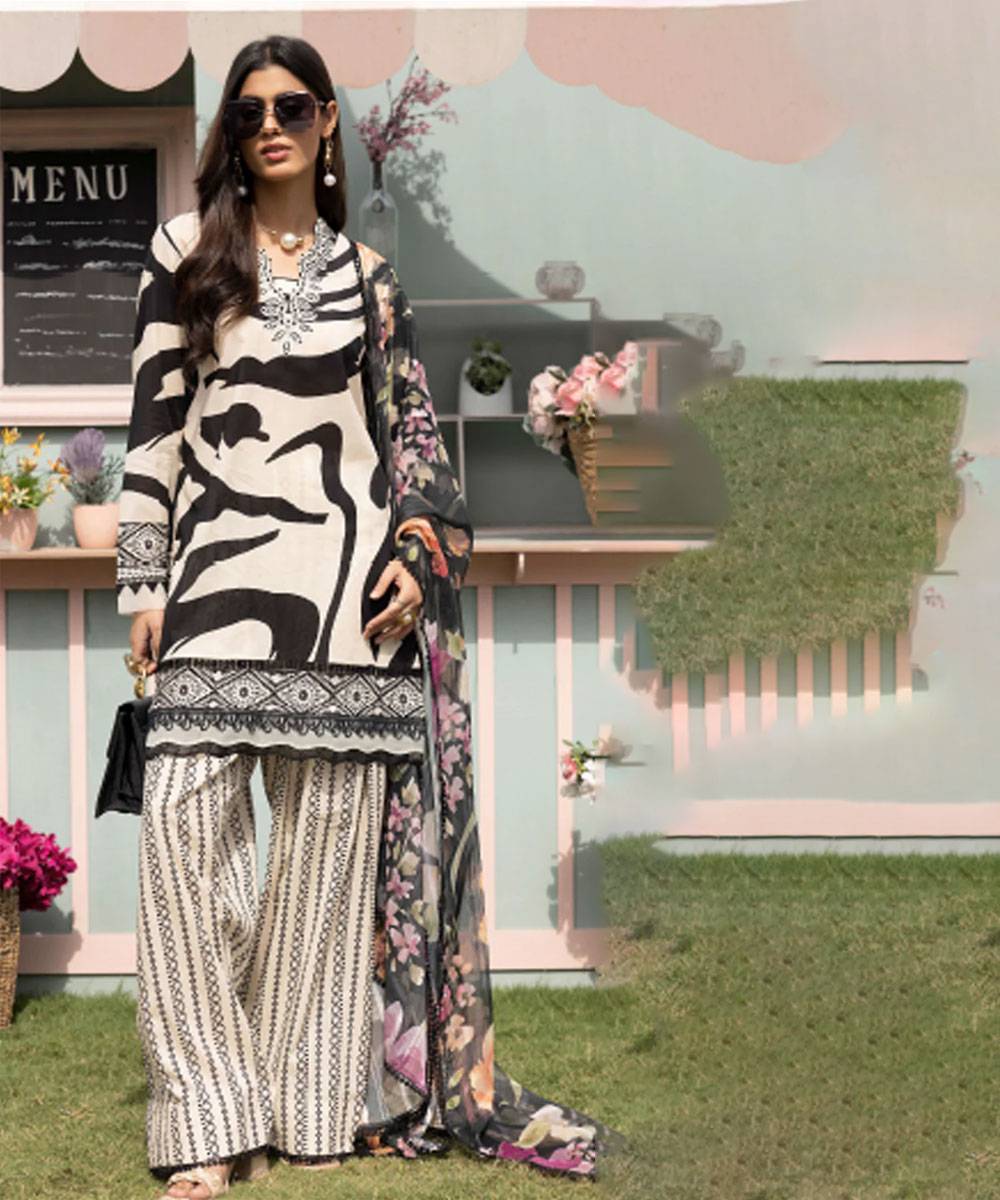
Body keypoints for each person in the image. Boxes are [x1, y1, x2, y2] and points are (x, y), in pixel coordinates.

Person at [116, 34, 625, 1200]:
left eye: (293, 106)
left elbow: (408, 443)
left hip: (350, 609)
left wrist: (412, 551)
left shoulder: (371, 281)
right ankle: (207, 1119)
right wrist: (143, 583)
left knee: (320, 877)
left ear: (328, 122)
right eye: (250, 112)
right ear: (232, 132)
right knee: (181, 845)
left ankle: (300, 1110)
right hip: (212, 592)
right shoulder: (184, 254)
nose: (272, 126)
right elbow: (152, 425)